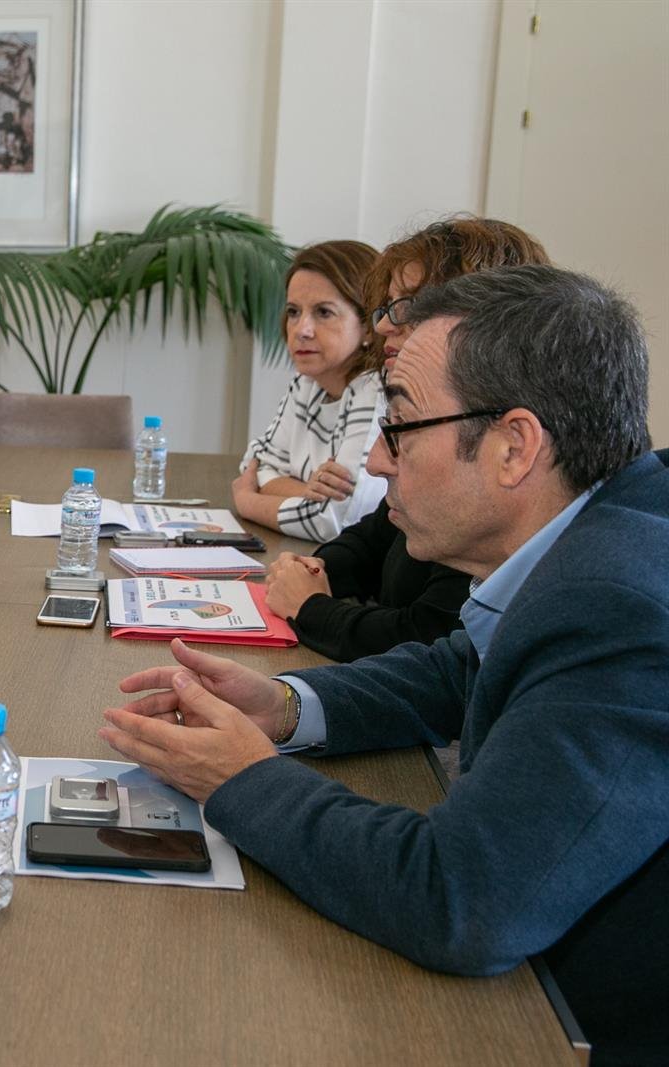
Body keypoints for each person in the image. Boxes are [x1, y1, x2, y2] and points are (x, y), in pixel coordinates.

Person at [99, 265, 667, 1065]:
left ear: (514, 446)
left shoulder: (624, 604)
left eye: (398, 425)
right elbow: (459, 669)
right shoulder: (600, 534)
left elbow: (463, 899)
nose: (373, 460)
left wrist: (241, 777)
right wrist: (284, 706)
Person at [263, 218, 550, 660]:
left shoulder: (490, 446)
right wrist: (310, 569)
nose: (382, 327)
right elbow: (372, 536)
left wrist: (310, 606)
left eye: (408, 307)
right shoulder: (437, 414)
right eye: (388, 306)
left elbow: (433, 641)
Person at [233, 240, 387, 542]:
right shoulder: (308, 384)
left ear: (368, 327)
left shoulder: (374, 392)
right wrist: (306, 491)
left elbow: (333, 521)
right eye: (293, 311)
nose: (302, 329)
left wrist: (248, 502)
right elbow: (255, 464)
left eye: (324, 313)